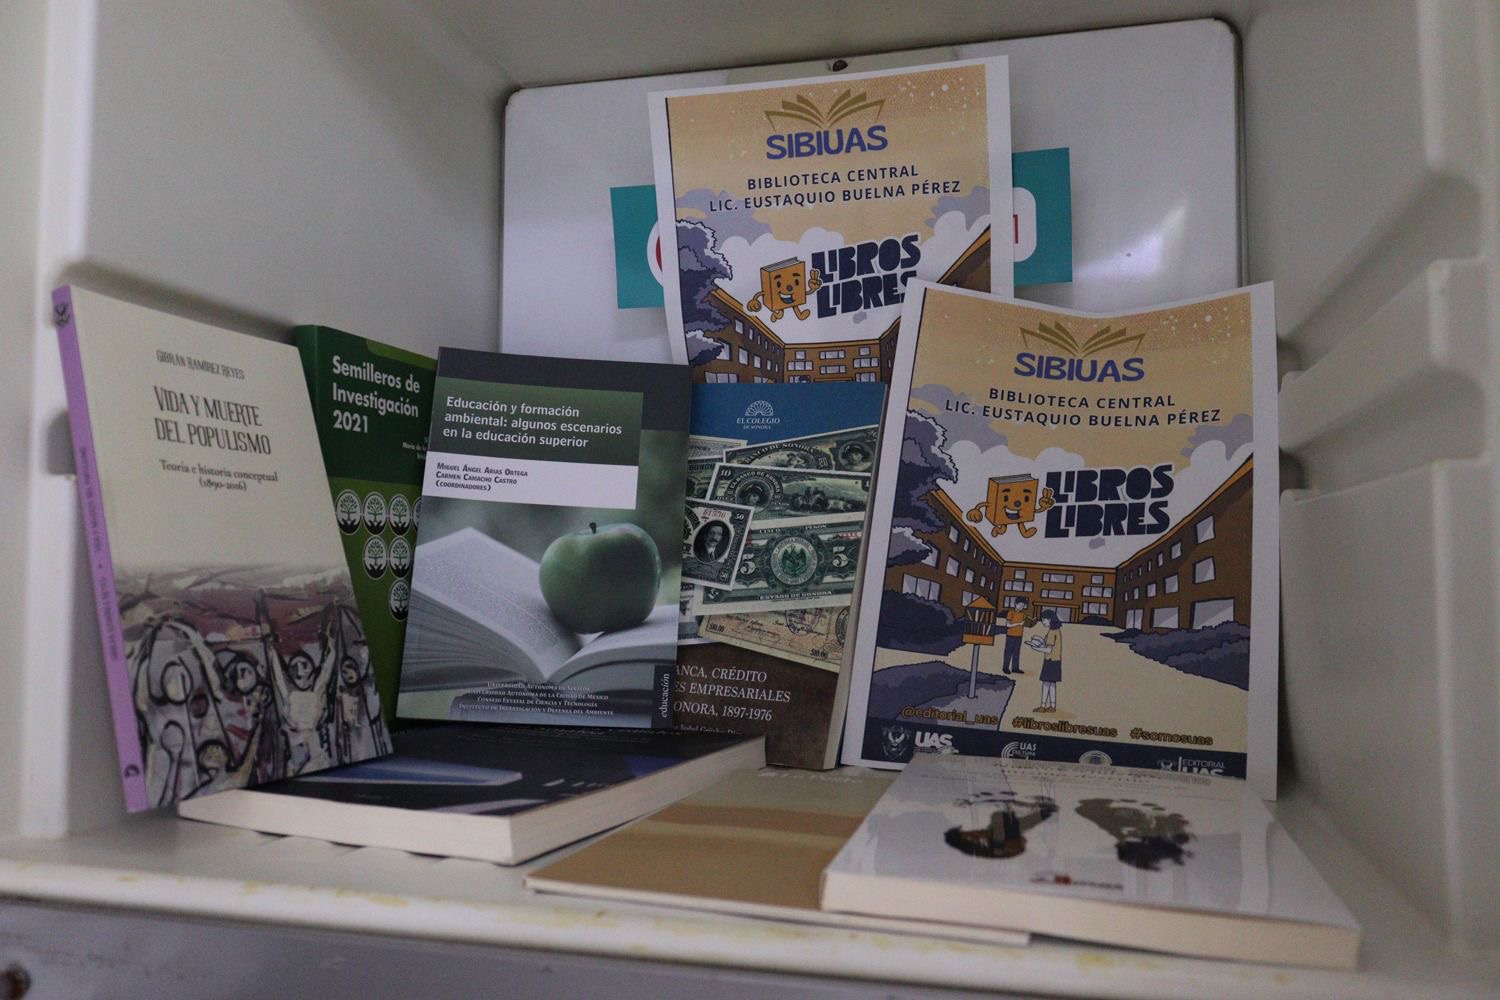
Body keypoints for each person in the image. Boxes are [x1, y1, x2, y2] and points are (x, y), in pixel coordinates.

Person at [1036, 610, 1062, 713]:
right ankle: (1052, 706)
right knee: (1052, 684)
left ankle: (1043, 706)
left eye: (1044, 620)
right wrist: (1040, 640)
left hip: (1050, 660)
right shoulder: (1056, 630)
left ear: (1050, 619)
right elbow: (1048, 644)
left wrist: (1036, 648)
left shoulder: (1052, 632)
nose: (1043, 622)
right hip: (1056, 661)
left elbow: (1048, 650)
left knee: (1046, 684)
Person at [1001, 597, 1029, 675]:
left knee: (1016, 653)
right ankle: (1005, 668)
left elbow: (1026, 623)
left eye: (1023, 606)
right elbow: (1007, 625)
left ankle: (1015, 668)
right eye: (1020, 605)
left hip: (1019, 636)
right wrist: (1019, 624)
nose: (1021, 607)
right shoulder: (1011, 612)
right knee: (1008, 652)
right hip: (1010, 635)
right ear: (1015, 604)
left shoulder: (1023, 614)